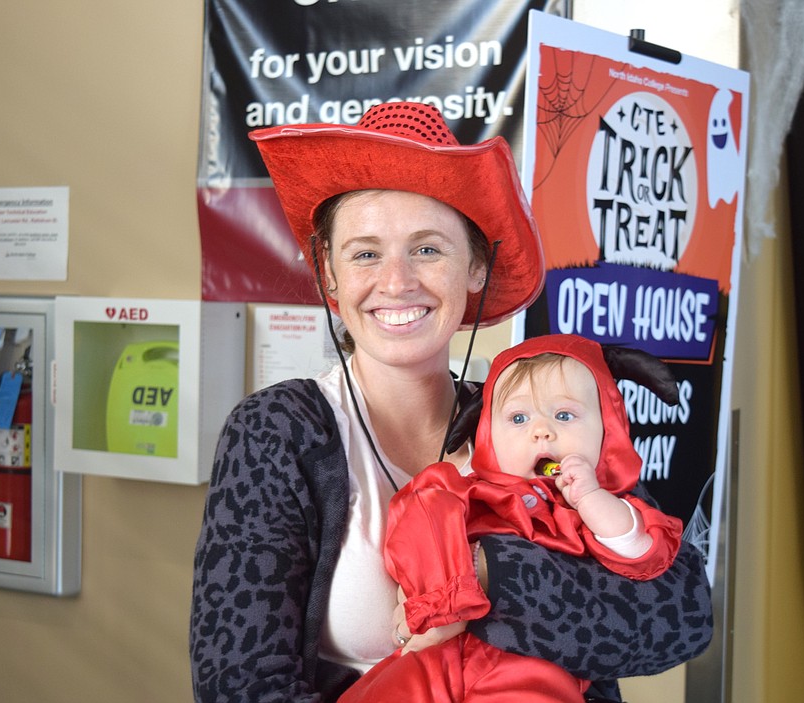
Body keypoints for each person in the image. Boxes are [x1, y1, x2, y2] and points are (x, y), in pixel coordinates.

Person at [190, 102, 713, 703]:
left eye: (428, 249)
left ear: (476, 267)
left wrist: (484, 571)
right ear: (328, 276)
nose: (395, 282)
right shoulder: (276, 433)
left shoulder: (537, 417)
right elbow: (238, 686)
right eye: (364, 253)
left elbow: (681, 618)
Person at [338, 333, 684, 703]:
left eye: (564, 415)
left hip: (532, 665)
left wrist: (591, 498)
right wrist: (442, 602)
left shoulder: (603, 507)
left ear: (607, 429)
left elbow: (642, 555)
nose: (541, 430)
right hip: (438, 654)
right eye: (518, 418)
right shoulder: (469, 491)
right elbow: (422, 517)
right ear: (488, 435)